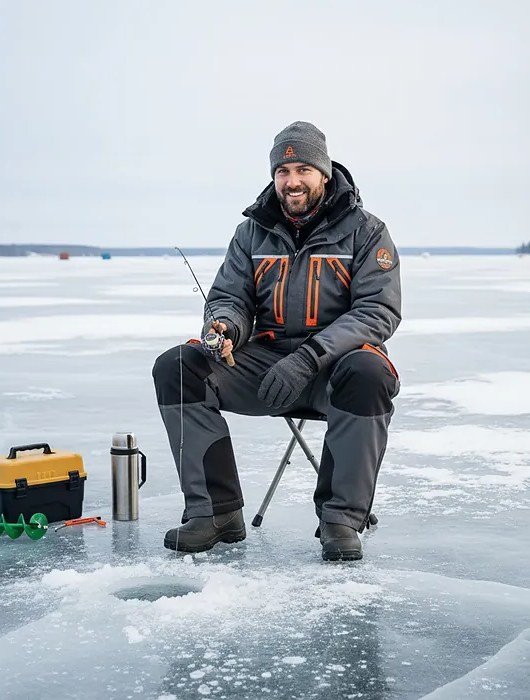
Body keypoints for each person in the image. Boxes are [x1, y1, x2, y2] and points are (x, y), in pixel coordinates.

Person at [152, 121, 401, 561]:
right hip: (263, 367)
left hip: (334, 370)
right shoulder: (251, 233)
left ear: (324, 173)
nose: (292, 181)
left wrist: (309, 357)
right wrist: (225, 329)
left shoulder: (367, 231)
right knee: (178, 365)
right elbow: (229, 298)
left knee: (370, 370)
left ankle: (340, 520)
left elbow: (377, 312)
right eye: (283, 171)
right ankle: (216, 514)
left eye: (303, 169)